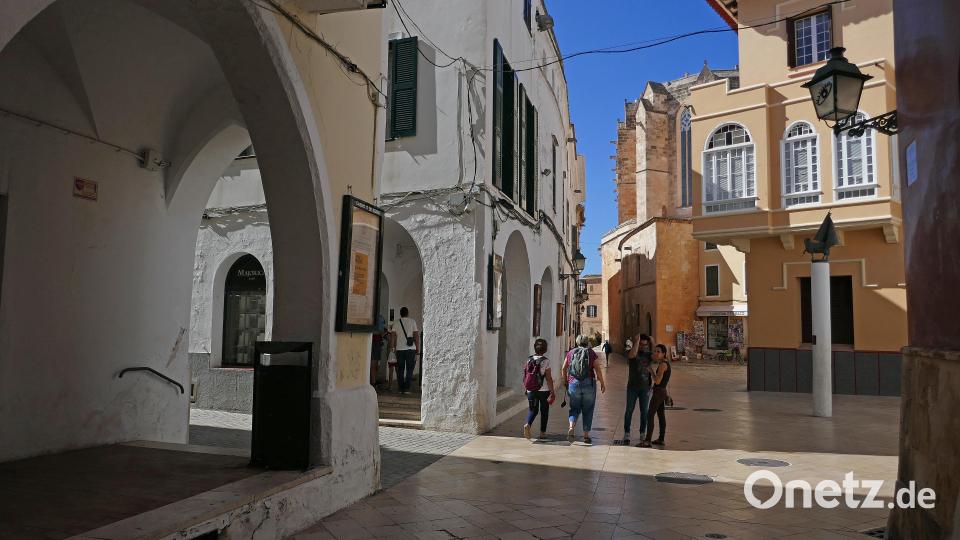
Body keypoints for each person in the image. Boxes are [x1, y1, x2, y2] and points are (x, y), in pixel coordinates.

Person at [561, 334, 606, 444]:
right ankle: (586, 436)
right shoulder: (591, 353)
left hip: (573, 383)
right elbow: (597, 368)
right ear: (587, 342)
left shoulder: (571, 352)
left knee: (574, 408)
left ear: (577, 342)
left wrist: (565, 381)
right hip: (588, 383)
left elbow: (564, 368)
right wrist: (602, 382)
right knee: (588, 409)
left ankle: (571, 427)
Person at [522, 338, 556, 440]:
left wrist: (526, 388)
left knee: (533, 409)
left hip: (531, 389)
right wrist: (552, 391)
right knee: (544, 411)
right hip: (543, 390)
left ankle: (528, 424)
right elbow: (548, 378)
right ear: (545, 349)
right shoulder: (546, 361)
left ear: (535, 348)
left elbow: (525, 375)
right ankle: (542, 433)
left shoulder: (529, 359)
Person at [621, 334, 652, 445]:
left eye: (645, 345)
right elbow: (632, 355)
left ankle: (642, 433)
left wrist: (652, 341)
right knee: (629, 410)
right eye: (641, 344)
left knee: (644, 411)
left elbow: (658, 356)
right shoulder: (631, 352)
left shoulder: (649, 355)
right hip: (632, 387)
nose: (643, 347)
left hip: (645, 388)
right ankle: (627, 433)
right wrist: (637, 341)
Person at [639, 344, 671, 448]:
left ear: (664, 353)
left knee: (650, 415)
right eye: (655, 351)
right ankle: (661, 439)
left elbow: (657, 381)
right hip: (662, 392)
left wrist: (651, 370)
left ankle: (647, 441)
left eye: (658, 352)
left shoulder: (663, 365)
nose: (656, 353)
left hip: (659, 392)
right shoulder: (664, 363)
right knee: (661, 415)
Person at [389, 307, 420, 394]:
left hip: (399, 349)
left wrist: (392, 347)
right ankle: (406, 388)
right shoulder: (412, 321)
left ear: (400, 313)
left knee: (400, 369)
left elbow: (392, 336)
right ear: (407, 313)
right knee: (410, 369)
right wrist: (417, 348)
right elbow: (416, 335)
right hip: (411, 349)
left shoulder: (396, 323)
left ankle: (400, 388)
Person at [370, 313, 387, 387]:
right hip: (375, 344)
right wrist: (383, 333)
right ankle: (373, 382)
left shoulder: (376, 317)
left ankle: (374, 380)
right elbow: (380, 331)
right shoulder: (379, 317)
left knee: (376, 364)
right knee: (374, 364)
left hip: (376, 343)